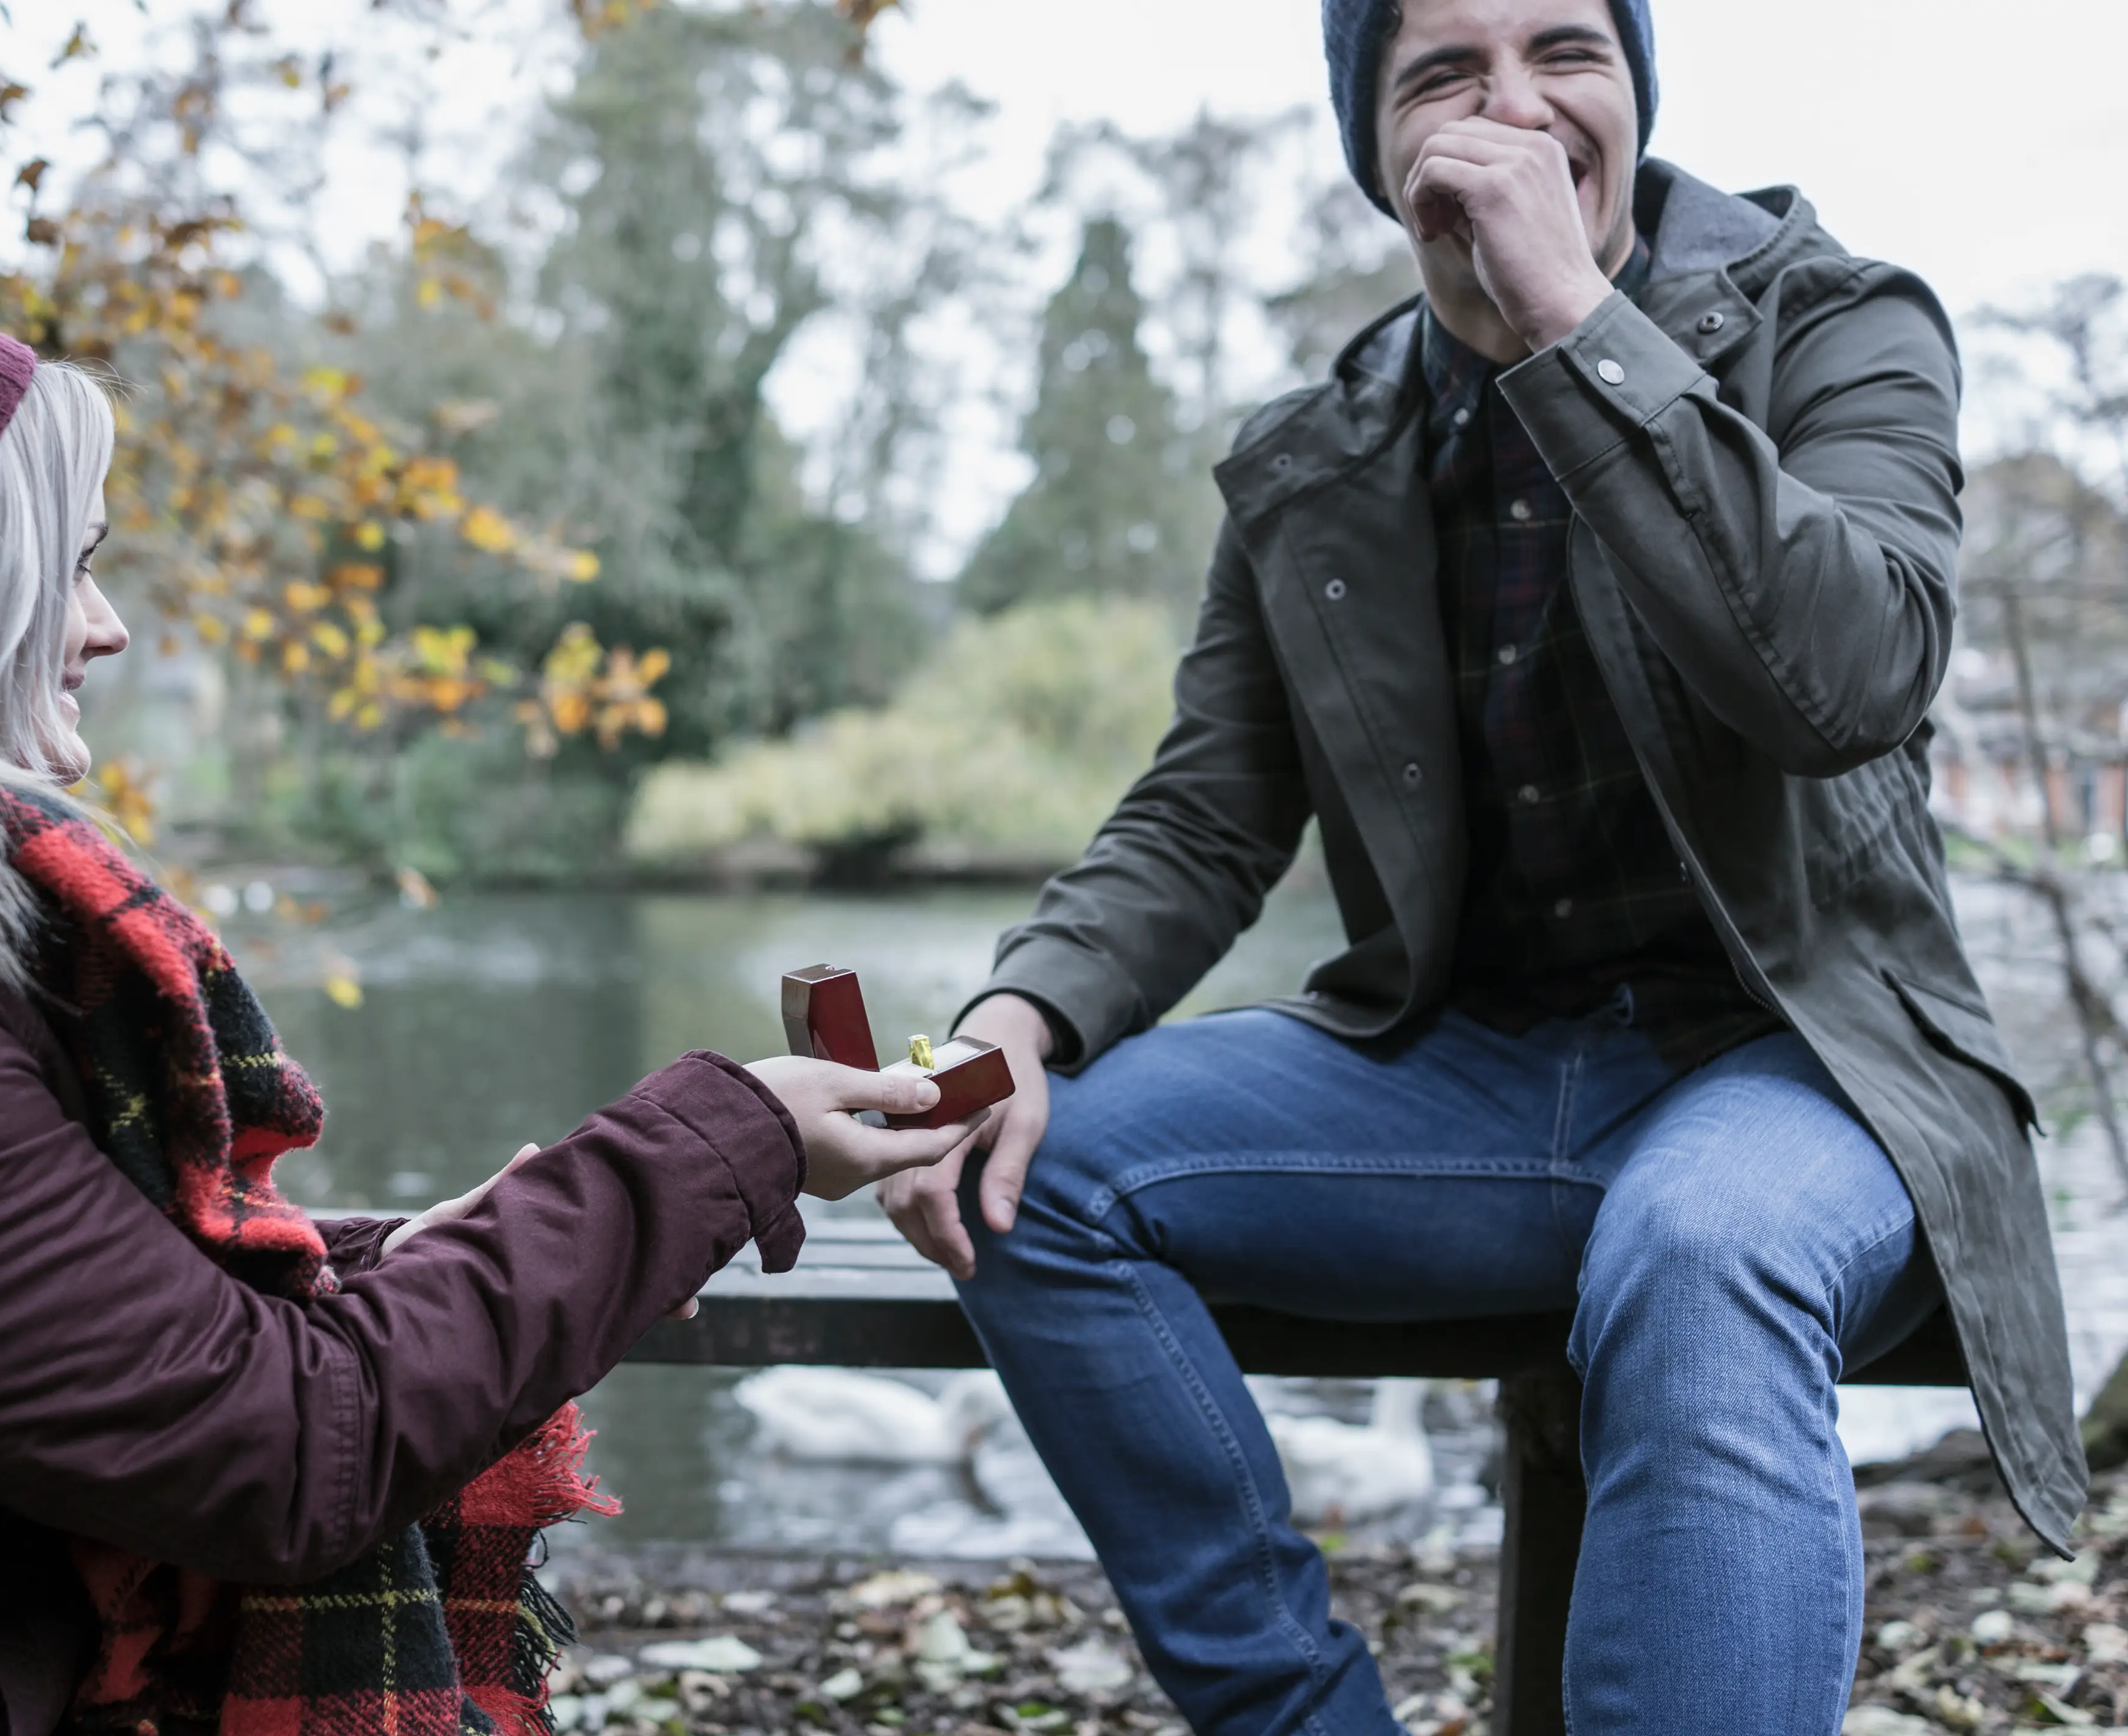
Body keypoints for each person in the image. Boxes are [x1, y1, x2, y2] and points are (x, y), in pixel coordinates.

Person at [878, 1, 2085, 1731]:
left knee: (1696, 1250)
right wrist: (1014, 1017)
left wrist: (1576, 335)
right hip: (1467, 1082)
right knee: (1032, 1171)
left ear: (1635, 89)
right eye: (1443, 71)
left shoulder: (1838, 319)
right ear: (1377, 144)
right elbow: (1205, 813)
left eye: (1565, 49)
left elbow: (1855, 680)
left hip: (1811, 1073)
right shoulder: (1320, 453)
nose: (1514, 105)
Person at [0, 271, 976, 1735]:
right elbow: (279, 1449)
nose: (109, 625)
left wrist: (394, 1254)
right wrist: (722, 1142)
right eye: (68, 563)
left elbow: (9, 1307)